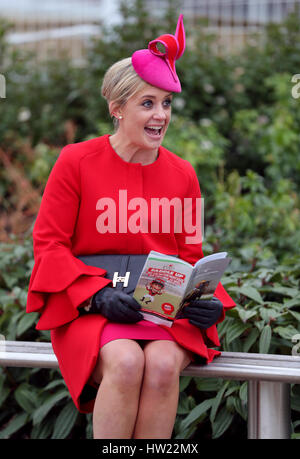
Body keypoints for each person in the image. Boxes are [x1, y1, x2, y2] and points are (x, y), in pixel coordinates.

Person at [26, 15, 235, 439]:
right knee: (125, 362)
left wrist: (206, 301)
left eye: (166, 103)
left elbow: (192, 255)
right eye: (147, 103)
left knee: (160, 366)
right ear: (117, 109)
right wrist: (97, 295)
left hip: (163, 315)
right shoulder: (75, 161)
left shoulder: (183, 174)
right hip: (92, 311)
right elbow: (49, 246)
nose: (161, 115)